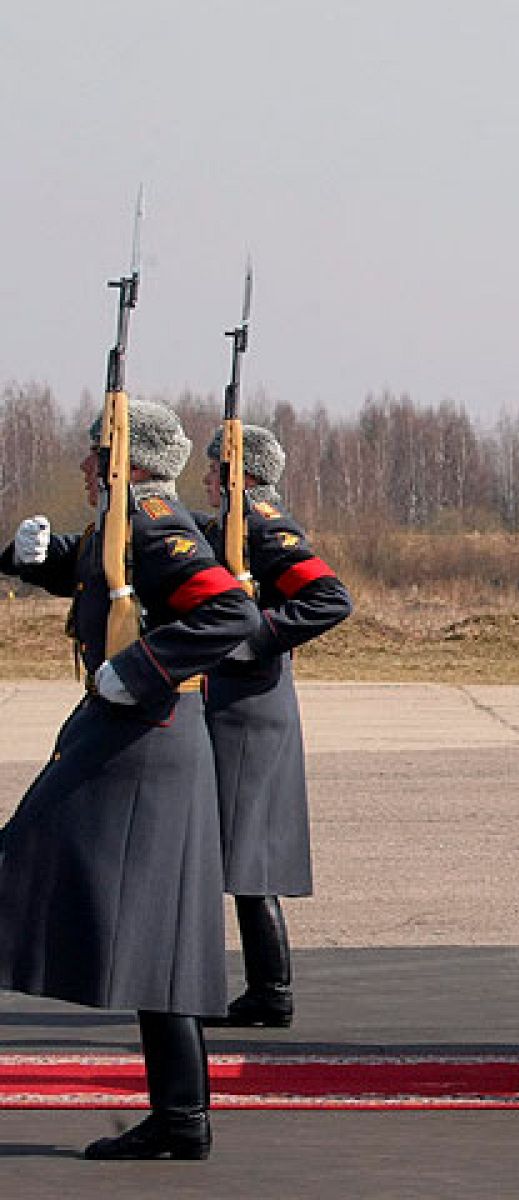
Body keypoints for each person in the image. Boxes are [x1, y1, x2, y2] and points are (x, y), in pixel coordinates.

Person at [0, 399, 259, 1158]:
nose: (84, 465)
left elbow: (230, 617)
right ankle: (182, 1119)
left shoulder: (153, 520)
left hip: (140, 746)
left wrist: (138, 672)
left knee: (29, 865)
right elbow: (105, 583)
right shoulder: (126, 525)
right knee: (158, 937)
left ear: (130, 462)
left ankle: (183, 1119)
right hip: (134, 744)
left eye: (94, 452)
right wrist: (36, 557)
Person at [199, 424, 353, 1028]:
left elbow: (328, 599)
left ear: (243, 474)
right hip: (236, 705)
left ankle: (271, 990)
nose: (207, 477)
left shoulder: (262, 524)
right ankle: (265, 989)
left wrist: (253, 640)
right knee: (238, 855)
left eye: (216, 467)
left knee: (247, 856)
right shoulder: (228, 527)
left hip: (250, 710)